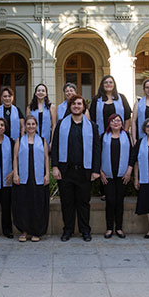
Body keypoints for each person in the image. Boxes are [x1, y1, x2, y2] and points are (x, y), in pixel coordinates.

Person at [51, 95, 101, 241]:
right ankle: (68, 230)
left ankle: (85, 231)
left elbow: (97, 149)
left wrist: (95, 170)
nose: (76, 106)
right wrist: (55, 166)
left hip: (84, 171)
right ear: (70, 106)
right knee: (67, 203)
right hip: (66, 171)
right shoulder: (61, 124)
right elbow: (55, 146)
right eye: (73, 104)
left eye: (79, 104)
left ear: (83, 107)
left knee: (83, 203)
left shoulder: (92, 126)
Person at [13, 115, 50, 242]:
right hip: (23, 177)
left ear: (36, 126)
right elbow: (15, 158)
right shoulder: (19, 140)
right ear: (25, 126)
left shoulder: (43, 141)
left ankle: (36, 231)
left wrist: (47, 174)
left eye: (33, 124)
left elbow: (46, 158)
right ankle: (24, 231)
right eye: (28, 124)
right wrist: (16, 174)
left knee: (37, 204)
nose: (30, 126)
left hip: (38, 177)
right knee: (23, 204)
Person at [100, 114, 133, 238]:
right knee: (110, 201)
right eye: (113, 120)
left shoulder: (127, 137)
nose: (116, 122)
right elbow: (97, 154)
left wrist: (129, 171)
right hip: (107, 175)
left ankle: (119, 228)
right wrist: (101, 172)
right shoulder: (103, 137)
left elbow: (132, 155)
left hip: (123, 175)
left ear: (122, 123)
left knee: (119, 202)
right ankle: (109, 228)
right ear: (109, 123)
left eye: (118, 120)